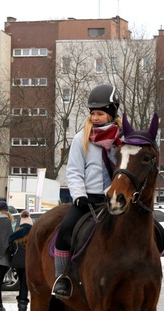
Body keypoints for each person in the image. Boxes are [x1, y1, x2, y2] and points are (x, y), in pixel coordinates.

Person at [52, 84, 122, 299]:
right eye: (92, 113)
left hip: (115, 198)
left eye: (100, 113)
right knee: (64, 232)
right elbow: (73, 171)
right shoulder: (80, 138)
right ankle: (62, 277)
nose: (95, 117)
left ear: (111, 114)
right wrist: (78, 196)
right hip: (88, 199)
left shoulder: (123, 139)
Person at [8, 210, 33, 311]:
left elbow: (11, 249)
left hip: (17, 262)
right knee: (25, 285)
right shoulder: (32, 232)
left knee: (22, 284)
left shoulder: (16, 234)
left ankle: (21, 309)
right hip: (29, 262)